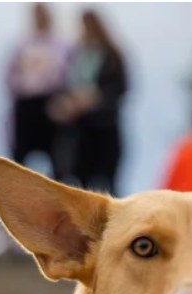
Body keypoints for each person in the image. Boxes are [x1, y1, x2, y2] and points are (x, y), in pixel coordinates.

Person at [50, 9, 128, 195]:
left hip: (104, 128)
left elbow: (119, 89)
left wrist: (95, 99)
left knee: (108, 182)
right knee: (81, 184)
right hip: (79, 132)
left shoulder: (112, 56)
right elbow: (61, 88)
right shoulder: (74, 56)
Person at [5, 3, 70, 177]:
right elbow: (9, 75)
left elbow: (64, 74)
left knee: (55, 157)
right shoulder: (21, 44)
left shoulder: (60, 45)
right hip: (25, 103)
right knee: (19, 157)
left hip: (49, 104)